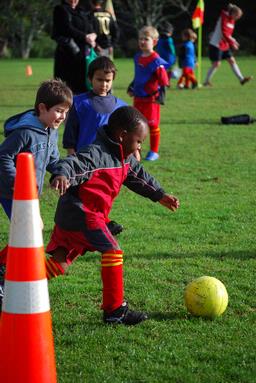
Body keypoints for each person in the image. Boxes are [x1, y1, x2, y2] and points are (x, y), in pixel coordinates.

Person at [45, 106, 180, 325]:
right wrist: (62, 174)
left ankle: (13, 282)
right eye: (138, 141)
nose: (139, 147)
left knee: (59, 264)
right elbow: (74, 163)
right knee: (113, 250)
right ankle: (115, 311)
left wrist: (160, 195)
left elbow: (139, 176)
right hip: (83, 215)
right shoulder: (97, 154)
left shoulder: (124, 157)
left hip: (75, 216)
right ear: (122, 136)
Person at [0, 78, 73, 307]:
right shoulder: (25, 132)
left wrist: (61, 173)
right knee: (31, 230)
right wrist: (19, 183)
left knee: (29, 231)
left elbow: (53, 161)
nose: (62, 117)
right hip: (11, 191)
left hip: (28, 195)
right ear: (42, 108)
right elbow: (3, 157)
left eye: (65, 112)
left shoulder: (50, 131)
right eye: (58, 111)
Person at [63, 55, 127, 235]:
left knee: (104, 194)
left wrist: (134, 151)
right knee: (85, 193)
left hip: (108, 161)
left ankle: (101, 221)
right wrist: (71, 152)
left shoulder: (120, 106)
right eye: (99, 80)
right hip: (84, 159)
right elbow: (71, 130)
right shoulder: (79, 102)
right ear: (90, 78)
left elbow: (128, 133)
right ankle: (99, 223)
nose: (104, 84)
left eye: (108, 81)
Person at [127, 26, 169, 162]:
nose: (143, 41)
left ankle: (154, 151)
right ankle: (136, 150)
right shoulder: (137, 57)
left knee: (152, 125)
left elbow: (163, 79)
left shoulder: (156, 60)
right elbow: (138, 76)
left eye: (146, 39)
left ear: (154, 42)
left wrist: (162, 95)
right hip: (138, 98)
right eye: (140, 39)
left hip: (151, 99)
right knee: (136, 124)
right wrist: (132, 86)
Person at [52, 0, 97, 94]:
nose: (73, 1)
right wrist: (85, 37)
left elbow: (89, 26)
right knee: (66, 88)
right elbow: (66, 28)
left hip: (83, 55)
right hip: (68, 53)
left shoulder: (81, 11)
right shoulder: (60, 9)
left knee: (82, 85)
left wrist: (93, 36)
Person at [204, 3, 252, 87]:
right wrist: (232, 43)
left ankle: (241, 79)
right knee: (216, 64)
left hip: (224, 45)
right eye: (237, 15)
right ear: (233, 13)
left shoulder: (232, 20)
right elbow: (224, 33)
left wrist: (234, 41)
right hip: (216, 44)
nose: (238, 18)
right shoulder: (224, 17)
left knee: (232, 60)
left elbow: (228, 34)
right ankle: (206, 81)